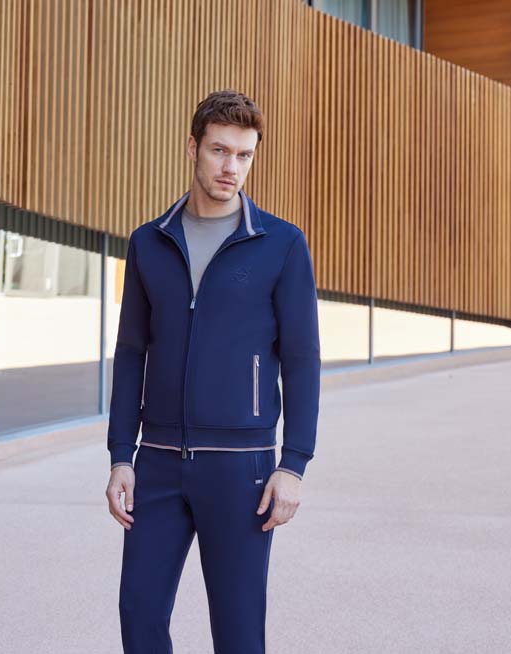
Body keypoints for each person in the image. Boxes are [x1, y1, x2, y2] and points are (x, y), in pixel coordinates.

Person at [104, 89, 321, 654]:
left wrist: (294, 464)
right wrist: (121, 455)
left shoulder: (280, 244)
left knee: (238, 631)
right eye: (220, 150)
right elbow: (130, 353)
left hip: (241, 468)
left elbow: (301, 360)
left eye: (244, 155)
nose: (231, 167)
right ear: (192, 148)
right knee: (138, 615)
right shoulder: (150, 242)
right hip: (158, 463)